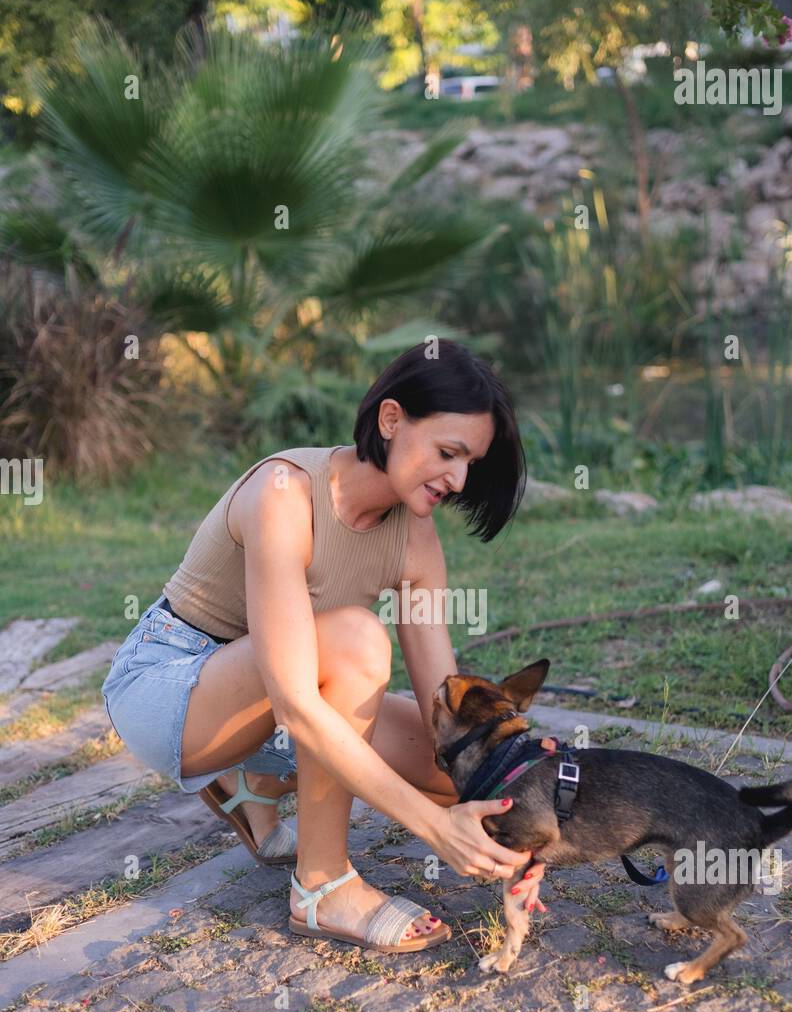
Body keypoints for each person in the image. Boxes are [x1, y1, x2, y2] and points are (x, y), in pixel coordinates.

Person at [102, 341, 546, 954]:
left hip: (272, 705)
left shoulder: (416, 540)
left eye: (470, 462)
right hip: (174, 686)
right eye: (448, 453)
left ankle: (254, 785)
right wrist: (436, 830)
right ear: (391, 420)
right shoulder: (285, 492)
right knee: (358, 639)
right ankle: (322, 885)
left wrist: (527, 801)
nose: (459, 479)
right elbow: (294, 703)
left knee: (465, 779)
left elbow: (450, 722)